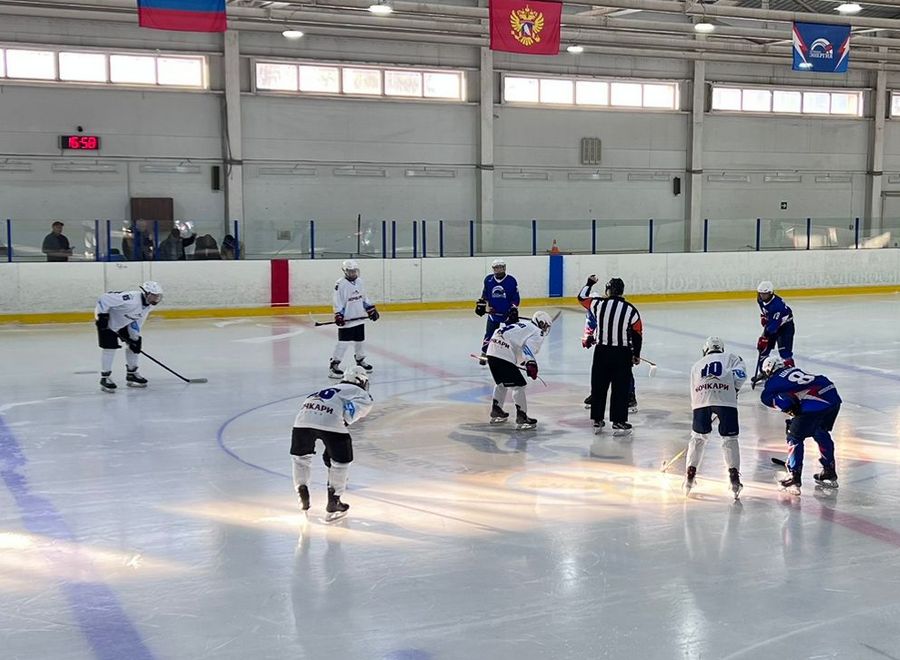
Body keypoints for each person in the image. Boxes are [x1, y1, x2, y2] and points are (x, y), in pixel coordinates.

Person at [290, 365, 374, 521]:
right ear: (361, 381)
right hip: (331, 421)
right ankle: (334, 501)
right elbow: (348, 416)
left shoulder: (327, 389)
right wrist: (333, 447)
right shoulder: (361, 394)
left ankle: (302, 492)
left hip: (302, 421)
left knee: (300, 458)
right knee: (341, 462)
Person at [758, 356, 841, 495]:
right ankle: (829, 470)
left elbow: (768, 398)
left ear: (769, 370)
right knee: (820, 431)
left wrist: (790, 410)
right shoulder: (793, 369)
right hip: (832, 396)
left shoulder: (773, 381)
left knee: (794, 437)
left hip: (816, 404)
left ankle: (794, 476)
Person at [684, 337, 747, 499]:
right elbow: (740, 375)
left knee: (698, 437)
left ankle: (690, 474)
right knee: (730, 438)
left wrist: (700, 406)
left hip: (701, 402)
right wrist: (733, 391)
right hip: (726, 401)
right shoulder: (732, 357)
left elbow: (693, 388)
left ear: (706, 350)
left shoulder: (697, 364)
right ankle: (734, 478)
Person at [584, 278, 643, 435]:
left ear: (607, 290)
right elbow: (637, 333)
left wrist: (589, 284)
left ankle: (597, 420)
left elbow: (581, 298)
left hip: (601, 352)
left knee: (599, 386)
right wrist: (636, 354)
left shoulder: (598, 304)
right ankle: (618, 421)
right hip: (622, 353)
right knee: (620, 388)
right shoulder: (630, 309)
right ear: (622, 291)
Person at [486, 311, 552, 430]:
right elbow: (528, 349)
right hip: (503, 352)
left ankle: (496, 410)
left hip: (492, 351)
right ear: (541, 323)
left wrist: (522, 363)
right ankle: (522, 417)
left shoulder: (523, 325)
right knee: (519, 386)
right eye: (545, 325)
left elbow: (516, 345)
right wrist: (531, 363)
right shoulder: (537, 332)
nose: (545, 328)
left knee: (501, 383)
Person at [94, 281, 163, 393]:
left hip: (125, 322)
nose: (156, 299)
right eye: (154, 296)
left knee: (135, 343)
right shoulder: (131, 299)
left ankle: (132, 373)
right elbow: (104, 298)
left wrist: (135, 337)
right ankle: (105, 377)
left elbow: (138, 319)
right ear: (146, 293)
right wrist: (102, 317)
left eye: (158, 296)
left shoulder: (149, 306)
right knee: (109, 348)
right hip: (107, 323)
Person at [330, 259, 379, 379]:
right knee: (343, 343)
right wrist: (338, 314)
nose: (353, 273)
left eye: (354, 271)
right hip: (347, 319)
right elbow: (337, 301)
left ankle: (360, 360)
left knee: (360, 341)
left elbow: (363, 298)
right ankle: (334, 364)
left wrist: (371, 309)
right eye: (350, 271)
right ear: (345, 271)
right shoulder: (340, 284)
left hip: (359, 317)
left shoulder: (360, 282)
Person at [475, 258, 520, 365]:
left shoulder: (511, 280)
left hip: (507, 313)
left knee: (512, 335)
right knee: (489, 334)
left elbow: (515, 297)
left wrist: (513, 308)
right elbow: (485, 294)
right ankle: (484, 353)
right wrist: (482, 305)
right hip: (493, 313)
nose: (498, 270)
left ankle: (516, 354)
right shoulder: (488, 280)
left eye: (500, 268)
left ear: (504, 268)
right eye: (496, 268)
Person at [751, 281, 795, 387]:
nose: (762, 296)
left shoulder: (777, 305)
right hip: (773, 324)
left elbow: (774, 326)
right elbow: (764, 311)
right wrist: (763, 317)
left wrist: (764, 337)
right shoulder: (760, 299)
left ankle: (791, 374)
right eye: (761, 294)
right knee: (764, 351)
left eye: (765, 294)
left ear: (771, 293)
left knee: (785, 353)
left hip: (785, 327)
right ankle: (764, 372)